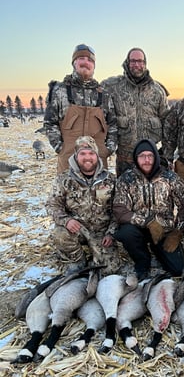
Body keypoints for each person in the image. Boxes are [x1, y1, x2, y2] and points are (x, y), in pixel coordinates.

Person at [113, 138, 184, 280]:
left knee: (178, 270)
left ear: (156, 157)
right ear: (136, 158)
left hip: (164, 230)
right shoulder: (126, 179)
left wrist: (177, 232)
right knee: (126, 233)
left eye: (150, 156)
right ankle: (142, 261)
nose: (146, 160)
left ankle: (158, 249)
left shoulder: (171, 178)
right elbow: (120, 210)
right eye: (142, 156)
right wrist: (147, 222)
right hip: (138, 229)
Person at [46, 136, 121, 274]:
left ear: (97, 156)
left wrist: (111, 233)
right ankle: (77, 259)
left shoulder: (110, 180)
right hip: (77, 230)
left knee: (109, 270)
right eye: (83, 154)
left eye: (91, 153)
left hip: (101, 233)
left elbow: (118, 210)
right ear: (76, 155)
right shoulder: (64, 179)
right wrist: (66, 220)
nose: (87, 158)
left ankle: (96, 256)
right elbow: (52, 206)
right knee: (60, 234)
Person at [44, 44, 117, 173]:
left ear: (94, 65)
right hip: (68, 158)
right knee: (68, 191)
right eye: (81, 58)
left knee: (99, 192)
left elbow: (113, 124)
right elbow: (50, 123)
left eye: (90, 60)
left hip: (98, 158)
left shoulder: (104, 94)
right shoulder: (59, 91)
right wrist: (61, 148)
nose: (86, 62)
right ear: (74, 62)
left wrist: (108, 149)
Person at [101, 47, 169, 176]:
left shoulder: (157, 91)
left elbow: (168, 124)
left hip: (149, 161)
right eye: (133, 61)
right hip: (124, 160)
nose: (136, 64)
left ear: (145, 63)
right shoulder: (113, 87)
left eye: (140, 61)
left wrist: (164, 153)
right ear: (127, 63)